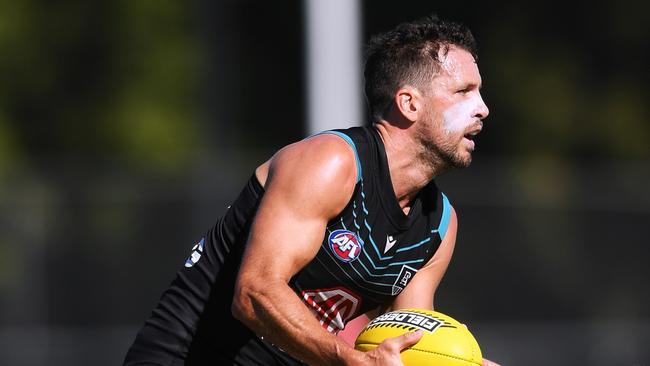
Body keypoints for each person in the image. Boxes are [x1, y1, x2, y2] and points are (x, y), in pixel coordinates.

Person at [124, 14, 496, 366]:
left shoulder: (439, 224)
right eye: (464, 91)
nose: (482, 109)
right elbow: (254, 293)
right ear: (409, 103)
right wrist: (347, 358)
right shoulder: (331, 163)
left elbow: (409, 345)